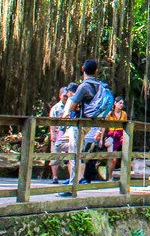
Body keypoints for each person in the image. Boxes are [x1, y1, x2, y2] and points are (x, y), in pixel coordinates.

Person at [58, 60, 113, 196]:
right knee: (63, 146)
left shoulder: (83, 87)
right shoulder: (99, 87)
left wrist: (70, 110)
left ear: (83, 69)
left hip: (79, 125)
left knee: (74, 153)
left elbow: (71, 107)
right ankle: (81, 157)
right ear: (96, 71)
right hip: (90, 125)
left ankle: (72, 188)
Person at [49, 87, 69, 184]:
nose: (66, 97)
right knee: (55, 155)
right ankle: (55, 177)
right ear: (60, 95)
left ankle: (71, 176)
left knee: (70, 154)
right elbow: (52, 122)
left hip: (68, 133)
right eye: (64, 96)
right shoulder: (55, 108)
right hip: (58, 132)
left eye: (67, 96)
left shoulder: (71, 106)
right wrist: (52, 134)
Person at [103, 96, 127, 180]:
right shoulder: (110, 114)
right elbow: (104, 126)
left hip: (120, 135)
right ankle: (109, 177)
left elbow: (126, 127)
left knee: (123, 156)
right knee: (112, 158)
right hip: (112, 135)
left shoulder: (124, 114)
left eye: (122, 103)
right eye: (120, 103)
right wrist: (101, 136)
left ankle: (123, 177)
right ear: (115, 103)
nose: (121, 105)